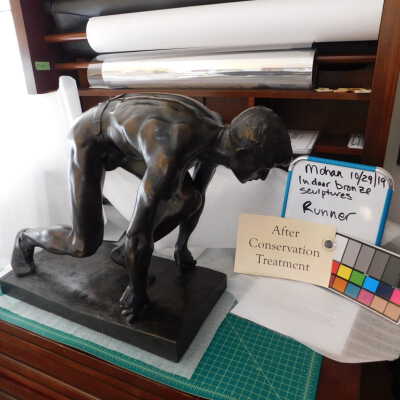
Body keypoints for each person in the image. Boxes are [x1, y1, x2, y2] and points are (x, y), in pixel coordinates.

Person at [11, 93, 292, 321]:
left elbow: (197, 197)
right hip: (89, 137)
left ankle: (123, 254)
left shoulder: (218, 138)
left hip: (125, 138)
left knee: (188, 197)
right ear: (242, 153)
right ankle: (25, 238)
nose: (263, 176)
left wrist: (182, 248)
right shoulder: (173, 150)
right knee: (83, 243)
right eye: (264, 167)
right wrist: (138, 292)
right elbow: (139, 231)